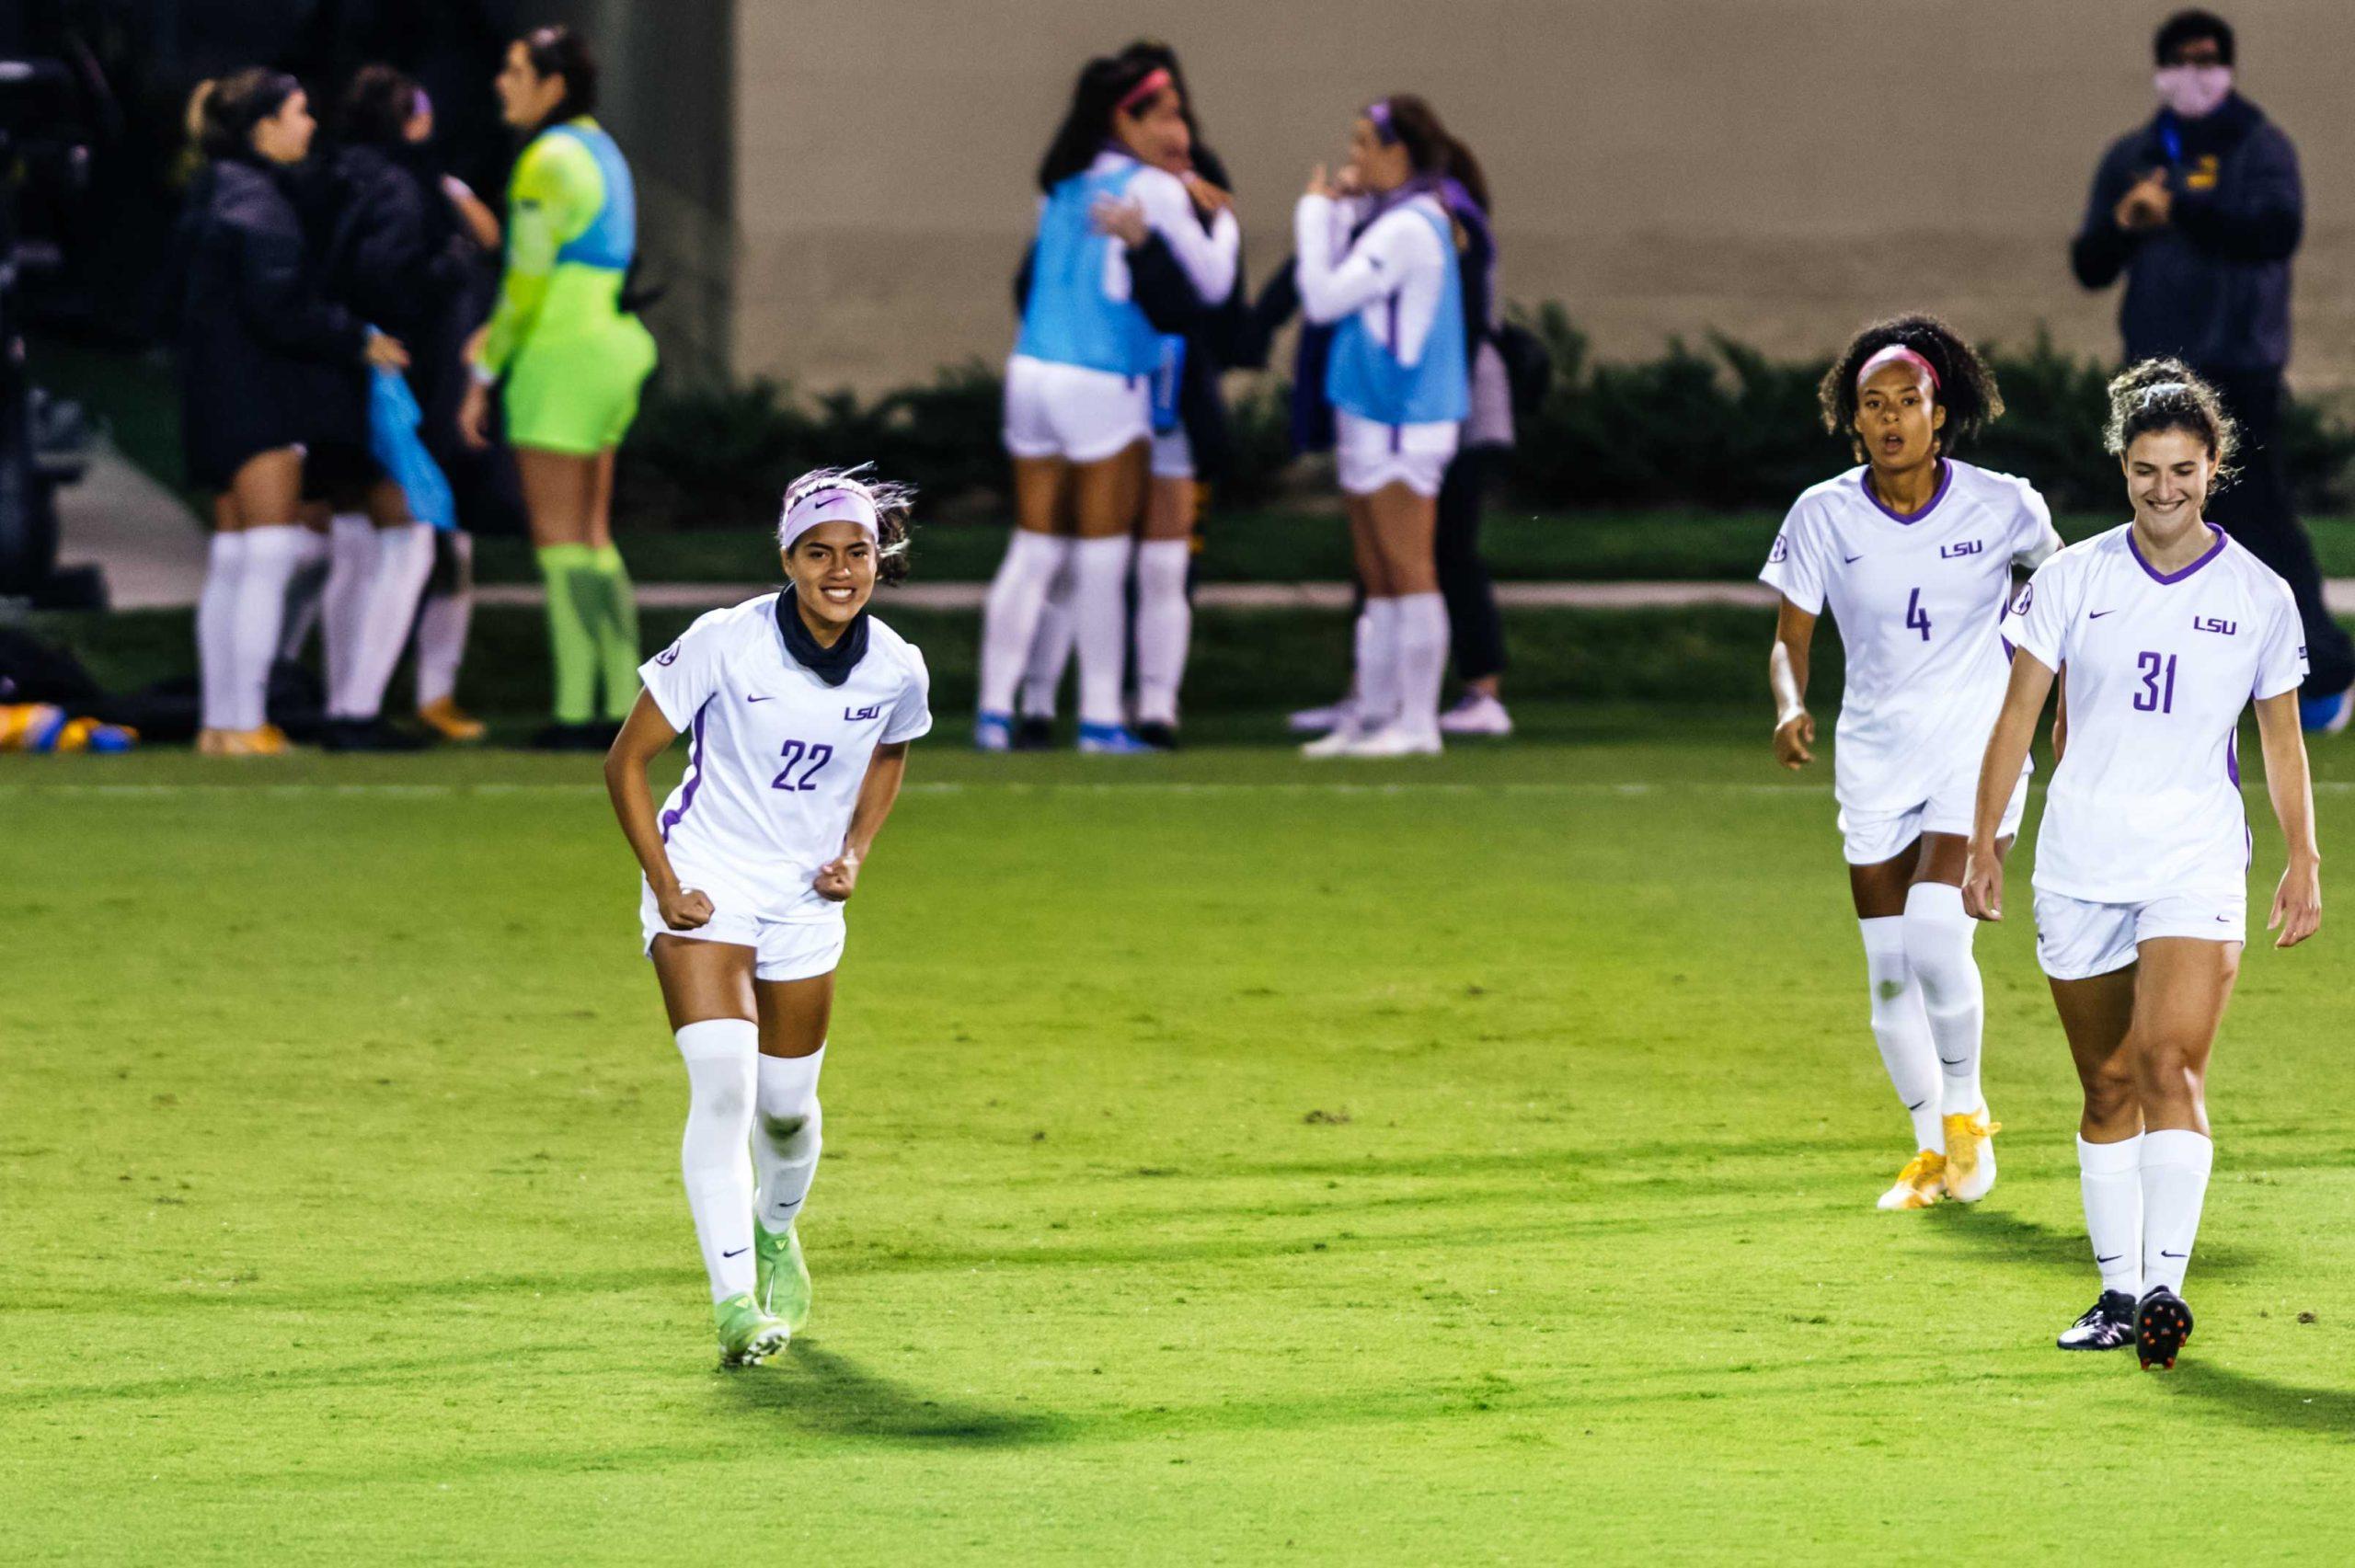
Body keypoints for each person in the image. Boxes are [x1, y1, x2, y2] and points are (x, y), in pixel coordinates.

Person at [1966, 361, 2320, 1368]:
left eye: (2183, 470)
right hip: (2078, 859)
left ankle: (2163, 1281)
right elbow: (2016, 718)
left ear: (2213, 469)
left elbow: (2281, 740)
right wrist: (1988, 838)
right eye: (2144, 470)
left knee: (2169, 1065)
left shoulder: (2257, 594)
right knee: (2105, 1082)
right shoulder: (2074, 580)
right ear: (2121, 469)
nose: (2164, 489)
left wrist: (2302, 857)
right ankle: (2116, 1291)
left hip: (2192, 862)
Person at [603, 466, 932, 1368]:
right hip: (706, 879)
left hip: (802, 902)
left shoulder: (898, 665)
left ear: (878, 557)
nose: (839, 569)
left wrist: (854, 851)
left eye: (856, 551)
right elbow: (625, 762)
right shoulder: (725, 640)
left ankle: (777, 1230)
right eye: (817, 551)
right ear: (786, 557)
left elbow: (890, 754)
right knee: (724, 1089)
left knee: (787, 1112)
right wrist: (666, 882)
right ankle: (734, 1304)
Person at [1761, 316, 2062, 1211]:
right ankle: (1933, 1151)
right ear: (1852, 419)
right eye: (1872, 404)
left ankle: (1966, 1115)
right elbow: (1789, 638)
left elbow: (2065, 598)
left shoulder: (2004, 504)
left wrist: (2063, 700)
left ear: (1942, 412)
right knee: (1888, 975)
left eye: (1909, 401)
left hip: (1973, 748)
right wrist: (1788, 704)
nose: (1891, 418)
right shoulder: (1821, 514)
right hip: (1872, 757)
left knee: (1936, 937)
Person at [2069, 8, 2354, 734]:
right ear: (2160, 67)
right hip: (2155, 375)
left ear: (2227, 67)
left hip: (2238, 369)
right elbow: (2091, 264)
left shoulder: (2258, 146)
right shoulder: (2135, 153)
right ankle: (2172, 681)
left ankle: (2320, 674)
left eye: (2208, 59)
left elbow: (2274, 232)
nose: (2195, 73)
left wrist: (2182, 207)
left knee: (2256, 518)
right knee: (2161, 520)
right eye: (2182, 59)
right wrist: (2128, 221)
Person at [974, 52, 1238, 754]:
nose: (1180, 127)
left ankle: (995, 713)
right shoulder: (1156, 186)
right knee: (1102, 558)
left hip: (1030, 372)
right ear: (1126, 117)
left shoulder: (1062, 182)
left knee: (1032, 550)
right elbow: (1210, 288)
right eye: (1169, 113)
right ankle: (1099, 719)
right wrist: (1220, 217)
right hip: (1100, 381)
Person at [178, 67, 410, 757]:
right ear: (264, 125)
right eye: (300, 112)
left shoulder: (213, 188)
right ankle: (246, 721)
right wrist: (357, 338)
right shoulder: (257, 201)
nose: (310, 125)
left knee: (233, 555)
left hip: (211, 390)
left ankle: (222, 723)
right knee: (269, 553)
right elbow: (280, 308)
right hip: (256, 394)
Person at [462, 25, 659, 750]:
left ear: (553, 84)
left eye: (516, 70)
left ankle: (578, 711)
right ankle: (623, 700)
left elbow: (524, 282)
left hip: (563, 351)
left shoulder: (546, 158)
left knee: (558, 542)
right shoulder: (602, 147)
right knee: (595, 537)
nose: (501, 83)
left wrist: (484, 368)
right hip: (615, 346)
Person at [1293, 96, 1475, 759]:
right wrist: (1340, 214)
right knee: (1379, 574)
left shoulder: (1407, 228)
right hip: (1374, 412)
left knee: (1408, 569)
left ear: (1399, 154)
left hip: (1404, 416)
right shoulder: (1395, 220)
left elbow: (1321, 296)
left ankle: (1417, 723)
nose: (1353, 156)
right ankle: (1373, 714)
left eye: (1365, 143)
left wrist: (1313, 214)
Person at [314, 64, 477, 750]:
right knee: (409, 535)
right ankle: (355, 710)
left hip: (333, 373)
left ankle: (340, 701)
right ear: (406, 118)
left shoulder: (328, 174)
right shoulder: (400, 187)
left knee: (355, 542)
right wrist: (451, 264)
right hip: (388, 381)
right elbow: (389, 278)